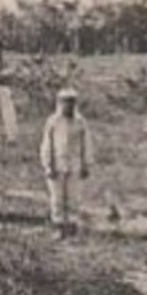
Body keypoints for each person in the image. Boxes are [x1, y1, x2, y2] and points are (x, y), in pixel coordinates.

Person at [39, 88, 93, 237]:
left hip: (74, 165)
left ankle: (72, 226)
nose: (68, 106)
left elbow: (86, 144)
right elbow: (47, 145)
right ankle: (58, 226)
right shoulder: (52, 122)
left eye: (71, 102)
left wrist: (86, 164)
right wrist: (48, 165)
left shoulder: (80, 122)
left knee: (73, 196)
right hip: (57, 164)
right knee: (57, 197)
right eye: (65, 102)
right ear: (59, 103)